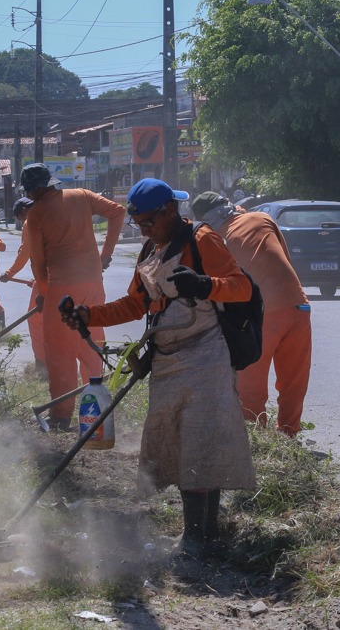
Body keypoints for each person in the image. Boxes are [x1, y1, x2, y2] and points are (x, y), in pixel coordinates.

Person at [60, 178, 256, 558]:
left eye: (149, 222)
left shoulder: (203, 241)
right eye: (139, 225)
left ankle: (197, 541)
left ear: (169, 211)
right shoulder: (151, 249)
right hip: (168, 358)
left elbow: (242, 287)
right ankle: (205, 535)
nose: (144, 231)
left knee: (200, 444)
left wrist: (204, 284)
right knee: (180, 445)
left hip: (206, 357)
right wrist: (89, 314)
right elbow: (135, 304)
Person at [191, 192, 312, 437]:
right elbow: (284, 259)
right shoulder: (263, 218)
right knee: (293, 379)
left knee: (250, 382)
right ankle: (289, 432)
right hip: (298, 306)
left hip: (262, 314)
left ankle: (256, 436)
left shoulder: (212, 240)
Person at [20, 163, 126, 431]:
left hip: (62, 290)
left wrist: (43, 293)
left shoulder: (35, 214)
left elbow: (38, 265)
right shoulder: (82, 195)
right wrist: (105, 255)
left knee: (60, 352)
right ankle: (98, 406)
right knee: (90, 343)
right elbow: (118, 212)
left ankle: (61, 415)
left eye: (29, 192)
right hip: (93, 284)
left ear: (34, 190)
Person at [0, 197, 47, 374]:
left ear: (24, 211)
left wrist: (9, 273)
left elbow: (25, 251)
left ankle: (43, 364)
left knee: (35, 320)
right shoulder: (53, 214)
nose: (21, 222)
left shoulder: (31, 221)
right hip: (66, 275)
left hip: (48, 279)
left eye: (20, 218)